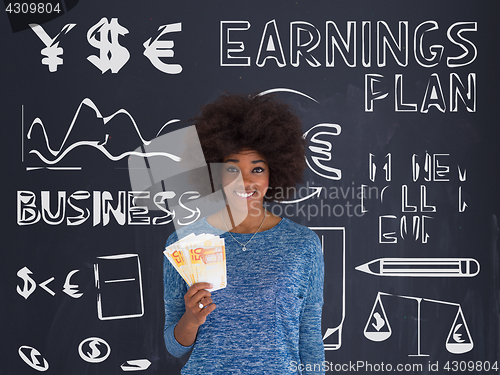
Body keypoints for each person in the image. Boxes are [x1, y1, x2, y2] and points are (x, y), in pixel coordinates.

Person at [163, 93, 325, 374]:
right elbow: (175, 346)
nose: (245, 180)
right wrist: (191, 318)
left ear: (274, 173)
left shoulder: (303, 245)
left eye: (257, 169)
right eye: (231, 168)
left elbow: (310, 339)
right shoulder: (186, 243)